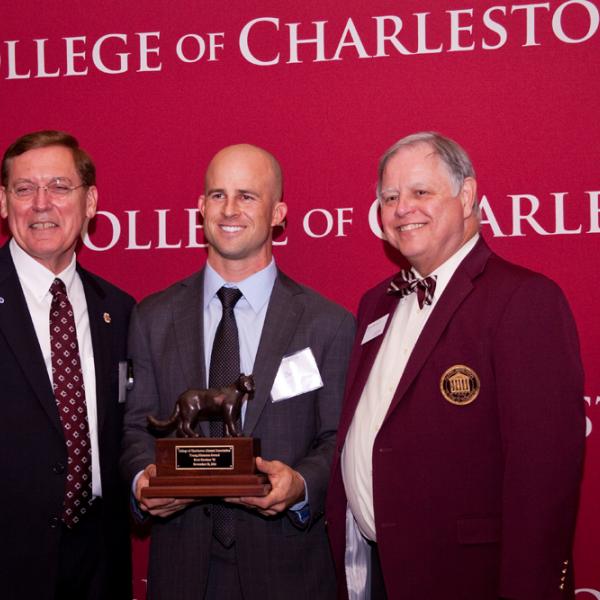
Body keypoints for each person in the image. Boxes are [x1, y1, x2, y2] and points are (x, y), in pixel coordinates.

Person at [325, 132, 585, 600]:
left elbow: (543, 485)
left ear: (466, 197)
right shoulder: (375, 304)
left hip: (468, 579)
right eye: (389, 196)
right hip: (376, 574)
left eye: (421, 192)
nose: (402, 207)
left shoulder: (524, 300)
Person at [120, 143, 355, 600]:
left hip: (290, 571)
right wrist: (141, 480)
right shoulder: (152, 316)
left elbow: (337, 440)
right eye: (217, 195)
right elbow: (135, 427)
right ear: (200, 208)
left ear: (278, 213)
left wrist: (302, 483)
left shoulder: (329, 324)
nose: (229, 209)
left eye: (247, 196)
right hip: (182, 571)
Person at [0, 130, 134, 599]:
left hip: (100, 560)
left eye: (59, 187)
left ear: (90, 201)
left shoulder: (119, 310)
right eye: (23, 189)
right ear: (4, 202)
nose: (41, 204)